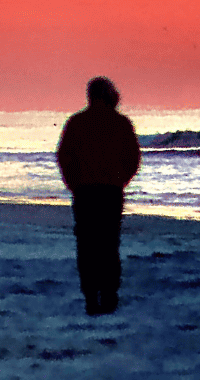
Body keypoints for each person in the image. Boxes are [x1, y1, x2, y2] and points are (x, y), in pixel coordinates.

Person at [56, 76, 141, 316]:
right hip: (110, 191)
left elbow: (64, 157)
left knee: (87, 245)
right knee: (109, 244)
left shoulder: (76, 122)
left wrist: (73, 183)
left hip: (85, 191)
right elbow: (133, 159)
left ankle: (91, 296)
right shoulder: (121, 123)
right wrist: (121, 179)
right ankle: (109, 294)